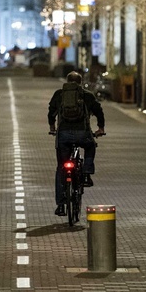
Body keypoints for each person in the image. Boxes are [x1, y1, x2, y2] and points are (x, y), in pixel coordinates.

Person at [48, 71, 105, 217]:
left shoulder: (59, 94)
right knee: (91, 146)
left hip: (64, 135)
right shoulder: (87, 95)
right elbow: (99, 111)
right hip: (83, 134)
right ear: (80, 82)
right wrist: (101, 128)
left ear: (67, 81)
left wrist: (52, 127)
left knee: (61, 168)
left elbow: (51, 112)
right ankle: (86, 173)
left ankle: (61, 205)